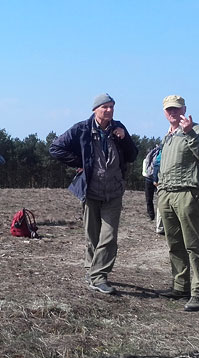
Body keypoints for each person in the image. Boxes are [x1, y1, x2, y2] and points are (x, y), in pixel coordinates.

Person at [50, 93, 138, 294]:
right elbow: (55, 148)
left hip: (114, 191)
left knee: (109, 236)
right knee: (92, 236)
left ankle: (98, 276)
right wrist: (80, 162)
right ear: (95, 110)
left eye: (112, 107)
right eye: (105, 107)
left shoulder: (118, 127)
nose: (109, 110)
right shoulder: (82, 129)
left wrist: (124, 139)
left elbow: (133, 155)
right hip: (91, 191)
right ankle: (91, 270)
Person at [156, 95, 199, 311]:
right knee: (175, 244)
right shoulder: (167, 136)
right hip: (167, 194)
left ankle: (198, 295)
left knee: (194, 246)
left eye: (176, 109)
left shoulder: (195, 129)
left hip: (188, 194)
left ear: (184, 109)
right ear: (164, 112)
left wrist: (189, 133)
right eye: (169, 109)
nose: (173, 113)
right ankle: (180, 286)